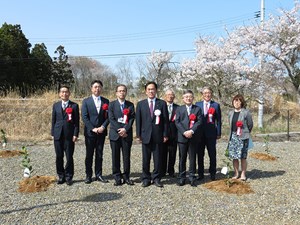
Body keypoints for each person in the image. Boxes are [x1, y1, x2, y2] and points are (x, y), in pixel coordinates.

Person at [136, 81, 169, 188]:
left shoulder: (162, 103)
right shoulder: (141, 104)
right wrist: (138, 135)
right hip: (145, 136)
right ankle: (146, 178)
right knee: (146, 159)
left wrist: (165, 134)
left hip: (158, 135)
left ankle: (156, 178)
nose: (151, 91)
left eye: (153, 89)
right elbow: (138, 121)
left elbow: (165, 121)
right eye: (149, 89)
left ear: (156, 90)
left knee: (157, 158)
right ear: (146, 91)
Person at [82, 80, 110, 184]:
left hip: (101, 132)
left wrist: (103, 126)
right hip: (90, 133)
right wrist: (92, 128)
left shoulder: (106, 101)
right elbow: (84, 117)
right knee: (89, 154)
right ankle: (88, 175)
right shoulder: (86, 101)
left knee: (99, 154)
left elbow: (109, 117)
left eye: (99, 87)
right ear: (91, 88)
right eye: (95, 87)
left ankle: (99, 174)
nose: (97, 89)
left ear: (101, 88)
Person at [51, 85, 79, 186]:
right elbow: (53, 120)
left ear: (69, 93)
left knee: (69, 157)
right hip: (58, 135)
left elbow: (76, 122)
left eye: (66, 92)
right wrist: (53, 133)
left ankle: (69, 177)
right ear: (59, 94)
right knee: (59, 156)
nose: (64, 94)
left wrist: (75, 134)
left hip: (69, 135)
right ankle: (61, 176)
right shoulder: (56, 105)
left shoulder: (74, 106)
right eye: (62, 92)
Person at [108, 84, 135, 186]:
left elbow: (132, 118)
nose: (122, 92)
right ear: (116, 93)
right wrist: (120, 130)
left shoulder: (130, 105)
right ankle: (117, 177)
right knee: (115, 156)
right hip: (115, 134)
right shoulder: (112, 104)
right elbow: (111, 118)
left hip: (126, 134)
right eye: (119, 91)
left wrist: (125, 129)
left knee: (126, 156)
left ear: (126, 92)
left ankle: (126, 176)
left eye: (123, 91)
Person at [175, 90, 202, 187]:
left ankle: (192, 177)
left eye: (190, 96)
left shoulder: (197, 109)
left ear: (193, 98)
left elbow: (199, 121)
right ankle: (182, 177)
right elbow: (177, 122)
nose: (188, 98)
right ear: (183, 98)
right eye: (186, 97)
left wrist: (191, 131)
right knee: (182, 158)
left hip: (193, 137)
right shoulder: (179, 109)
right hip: (182, 137)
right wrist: (184, 132)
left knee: (192, 158)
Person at [195, 87, 222, 181]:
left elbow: (218, 120)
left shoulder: (216, 105)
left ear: (211, 94)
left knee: (212, 154)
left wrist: (218, 133)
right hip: (200, 134)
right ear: (202, 94)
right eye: (205, 93)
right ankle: (200, 173)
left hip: (211, 134)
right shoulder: (197, 105)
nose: (207, 94)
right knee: (200, 154)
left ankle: (213, 173)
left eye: (209, 93)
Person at [228, 94, 253, 181]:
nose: (237, 102)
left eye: (239, 101)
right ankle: (236, 173)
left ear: (242, 102)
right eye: (235, 100)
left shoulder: (246, 112)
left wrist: (245, 132)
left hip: (243, 137)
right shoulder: (230, 113)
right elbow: (230, 125)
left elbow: (250, 125)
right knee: (234, 156)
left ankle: (243, 174)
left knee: (243, 156)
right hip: (233, 137)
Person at [161, 89, 179, 178]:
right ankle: (162, 170)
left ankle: (171, 170)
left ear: (174, 97)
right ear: (165, 96)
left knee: (172, 153)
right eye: (168, 95)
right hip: (162, 134)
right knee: (162, 153)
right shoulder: (160, 106)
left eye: (172, 95)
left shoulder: (178, 108)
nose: (170, 96)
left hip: (174, 134)